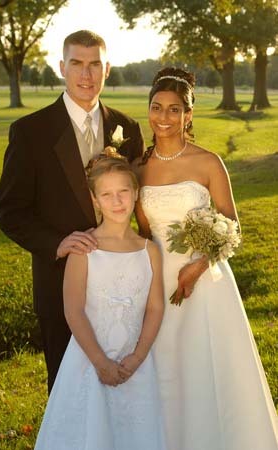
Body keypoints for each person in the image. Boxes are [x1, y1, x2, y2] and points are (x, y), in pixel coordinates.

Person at [135, 67, 278, 450]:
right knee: (167, 368)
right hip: (157, 281)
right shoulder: (139, 167)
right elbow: (142, 231)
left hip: (207, 281)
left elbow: (232, 223)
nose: (163, 118)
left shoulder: (208, 162)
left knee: (209, 366)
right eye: (157, 107)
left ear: (188, 114)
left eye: (174, 109)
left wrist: (200, 264)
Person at [0, 30, 145, 392]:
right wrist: (57, 243)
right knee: (67, 388)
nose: (86, 75)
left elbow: (138, 202)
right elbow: (10, 211)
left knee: (122, 384)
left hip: (121, 285)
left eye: (95, 65)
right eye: (76, 63)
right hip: (60, 280)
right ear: (62, 67)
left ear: (107, 69)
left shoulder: (127, 128)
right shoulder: (30, 132)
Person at [34, 157, 166, 450]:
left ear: (135, 193)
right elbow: (73, 309)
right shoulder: (84, 248)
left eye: (123, 192)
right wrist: (100, 362)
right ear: (95, 200)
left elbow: (155, 307)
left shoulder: (150, 250)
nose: (116, 201)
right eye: (106, 194)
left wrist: (138, 356)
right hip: (89, 359)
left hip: (135, 362)